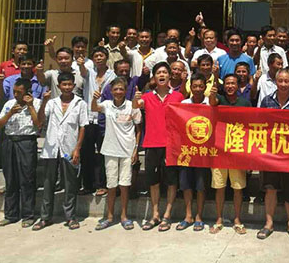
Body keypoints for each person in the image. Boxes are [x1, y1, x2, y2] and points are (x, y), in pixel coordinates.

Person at [132, 62, 184, 232]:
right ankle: (155, 214)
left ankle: (167, 215)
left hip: (171, 146)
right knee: (153, 181)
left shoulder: (178, 97)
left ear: (170, 76)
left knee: (171, 181)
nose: (162, 75)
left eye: (164, 72)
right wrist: (135, 99)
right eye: (158, 73)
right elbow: (135, 107)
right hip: (151, 144)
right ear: (154, 77)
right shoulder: (146, 97)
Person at [33, 72, 88, 231]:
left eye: (70, 84)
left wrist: (77, 148)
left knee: (70, 184)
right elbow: (40, 121)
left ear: (74, 85)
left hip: (69, 149)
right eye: (64, 85)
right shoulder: (51, 103)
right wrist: (44, 101)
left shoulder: (80, 103)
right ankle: (45, 217)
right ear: (59, 86)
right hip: (52, 149)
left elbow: (82, 127)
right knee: (48, 184)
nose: (67, 87)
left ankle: (70, 217)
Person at [257, 69, 289, 241]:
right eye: (280, 81)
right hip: (271, 154)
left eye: (286, 81)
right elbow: (260, 123)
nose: (283, 84)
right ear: (275, 82)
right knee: (270, 189)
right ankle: (268, 223)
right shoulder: (267, 100)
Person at [92, 77, 141, 231]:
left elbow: (138, 129)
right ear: (111, 91)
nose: (118, 92)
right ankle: (109, 216)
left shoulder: (132, 106)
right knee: (111, 185)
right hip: (110, 150)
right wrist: (94, 99)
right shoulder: (107, 105)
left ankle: (124, 217)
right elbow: (94, 108)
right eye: (115, 89)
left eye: (121, 89)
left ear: (125, 91)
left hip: (127, 151)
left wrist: (135, 150)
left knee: (124, 185)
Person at [0, 78, 43, 227]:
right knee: (11, 179)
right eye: (14, 92)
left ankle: (28, 215)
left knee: (27, 179)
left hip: (26, 142)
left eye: (19, 92)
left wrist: (30, 106)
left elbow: (39, 124)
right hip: (9, 141)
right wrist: (9, 114)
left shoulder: (37, 103)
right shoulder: (9, 104)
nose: (16, 95)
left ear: (27, 92)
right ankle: (10, 215)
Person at [209, 73, 251, 234]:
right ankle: (219, 219)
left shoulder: (245, 103)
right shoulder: (219, 99)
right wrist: (212, 94)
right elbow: (212, 103)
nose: (230, 86)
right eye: (227, 83)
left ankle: (237, 220)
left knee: (237, 188)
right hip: (219, 150)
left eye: (233, 83)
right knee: (219, 187)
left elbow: (250, 126)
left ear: (238, 85)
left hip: (237, 150)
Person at [177, 73, 217, 232]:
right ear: (190, 87)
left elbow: (215, 109)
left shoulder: (210, 103)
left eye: (201, 86)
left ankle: (199, 216)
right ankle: (188, 216)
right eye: (195, 86)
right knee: (186, 185)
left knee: (201, 186)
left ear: (205, 87)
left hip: (203, 151)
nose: (198, 89)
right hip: (186, 151)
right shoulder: (184, 104)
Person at [80, 46, 115, 196]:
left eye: (101, 55)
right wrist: (81, 63)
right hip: (88, 118)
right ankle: (87, 185)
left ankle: (102, 184)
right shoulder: (89, 72)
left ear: (106, 57)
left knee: (103, 152)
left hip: (104, 119)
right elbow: (82, 71)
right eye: (96, 56)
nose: (99, 58)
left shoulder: (113, 75)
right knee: (86, 152)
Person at [0, 40, 28, 173]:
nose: (21, 52)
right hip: (6, 101)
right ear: (13, 51)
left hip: (22, 102)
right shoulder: (4, 65)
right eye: (19, 49)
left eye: (24, 49)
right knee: (3, 132)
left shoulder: (28, 66)